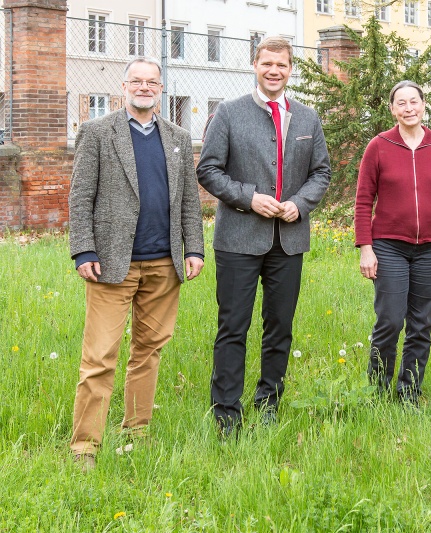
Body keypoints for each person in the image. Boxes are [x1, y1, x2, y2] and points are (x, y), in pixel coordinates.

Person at [68, 57, 205, 471]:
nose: (145, 87)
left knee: (149, 352)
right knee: (99, 357)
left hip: (164, 265)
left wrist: (194, 249)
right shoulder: (97, 132)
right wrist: (83, 250)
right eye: (137, 81)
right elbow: (79, 197)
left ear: (160, 89)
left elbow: (188, 202)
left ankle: (136, 432)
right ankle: (84, 448)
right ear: (124, 86)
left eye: (152, 82)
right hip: (111, 263)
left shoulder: (179, 137)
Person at [197, 36, 331, 435]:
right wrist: (248, 198)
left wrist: (301, 203)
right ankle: (226, 413)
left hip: (288, 242)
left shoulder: (307, 117)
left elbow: (321, 172)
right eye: (267, 63)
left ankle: (269, 404)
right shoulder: (229, 113)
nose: (274, 71)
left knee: (280, 327)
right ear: (254, 64)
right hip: (239, 238)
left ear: (291, 69)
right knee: (233, 326)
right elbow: (208, 170)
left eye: (282, 65)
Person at [355, 80, 431, 406]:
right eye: (401, 103)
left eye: (413, 101)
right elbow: (363, 201)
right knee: (389, 319)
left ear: (423, 105)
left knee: (421, 324)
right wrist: (366, 247)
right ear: (392, 109)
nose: (408, 108)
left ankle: (409, 393)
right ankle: (376, 390)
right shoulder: (379, 146)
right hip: (388, 245)